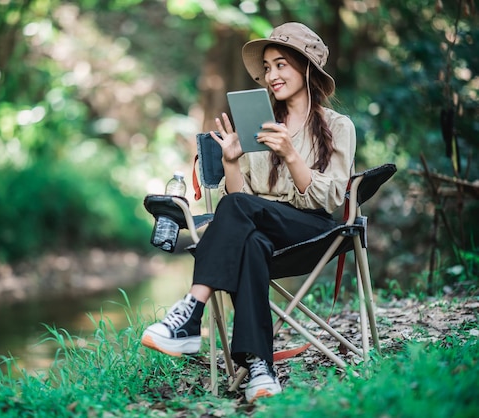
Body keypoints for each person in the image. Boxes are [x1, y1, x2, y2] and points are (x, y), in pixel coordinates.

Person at [141, 22, 356, 403]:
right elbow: (240, 204)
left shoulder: (339, 127)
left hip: (313, 231)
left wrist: (290, 154)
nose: (271, 75)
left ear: (306, 68)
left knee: (243, 215)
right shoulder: (257, 126)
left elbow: (329, 201)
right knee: (251, 242)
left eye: (281, 65)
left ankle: (191, 311)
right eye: (267, 67)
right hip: (262, 232)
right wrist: (232, 163)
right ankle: (260, 366)